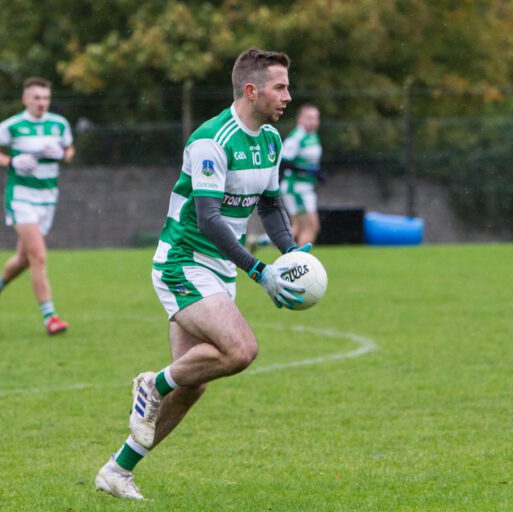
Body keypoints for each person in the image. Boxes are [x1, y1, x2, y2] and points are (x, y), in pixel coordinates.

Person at [95, 48, 311, 500]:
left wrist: (290, 255)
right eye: (280, 86)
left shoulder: (270, 140)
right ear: (251, 90)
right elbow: (210, 218)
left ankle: (117, 470)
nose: (288, 95)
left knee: (192, 386)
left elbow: (270, 205)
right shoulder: (212, 140)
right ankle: (151, 384)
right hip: (184, 261)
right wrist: (258, 270)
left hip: (215, 269)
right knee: (241, 350)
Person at [0, 76, 74, 334]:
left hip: (48, 197)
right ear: (25, 99)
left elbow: (70, 151)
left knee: (24, 258)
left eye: (45, 98)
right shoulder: (12, 126)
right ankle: (50, 317)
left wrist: (62, 155)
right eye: (36, 98)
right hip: (21, 196)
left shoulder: (59, 124)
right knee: (39, 255)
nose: (41, 103)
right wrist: (13, 161)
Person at [280, 104, 323, 245]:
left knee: (296, 229)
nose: (314, 122)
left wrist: (316, 173)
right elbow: (284, 162)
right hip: (296, 188)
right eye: (309, 118)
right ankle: (300, 264)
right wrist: (306, 171)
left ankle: (258, 241)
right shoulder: (296, 137)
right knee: (311, 227)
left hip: (305, 187)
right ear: (299, 120)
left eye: (316, 118)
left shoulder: (312, 135)